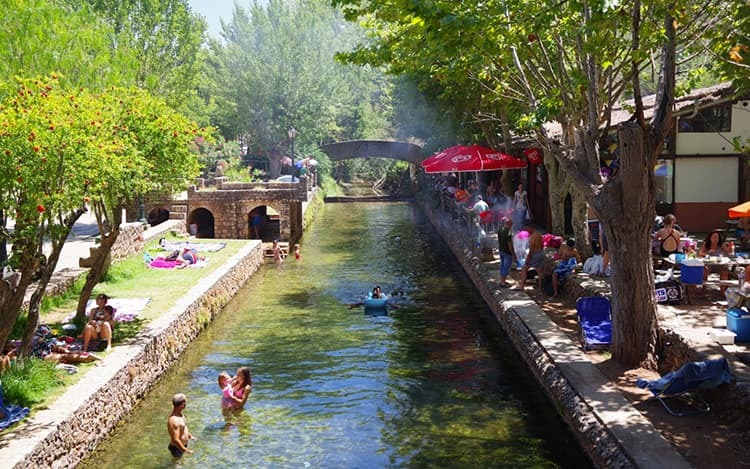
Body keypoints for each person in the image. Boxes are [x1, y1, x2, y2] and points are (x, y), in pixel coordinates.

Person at [512, 223, 544, 291]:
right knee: (539, 271)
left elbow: (531, 250)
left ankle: (522, 286)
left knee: (524, 269)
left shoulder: (533, 237)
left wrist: (528, 259)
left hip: (534, 254)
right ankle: (541, 288)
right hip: (540, 253)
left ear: (531, 227)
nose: (526, 231)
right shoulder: (539, 234)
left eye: (527, 229)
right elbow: (542, 245)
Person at [497, 218, 516, 287]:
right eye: (511, 223)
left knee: (502, 266)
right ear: (509, 224)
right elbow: (510, 244)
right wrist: (513, 254)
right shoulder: (509, 232)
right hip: (507, 252)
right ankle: (502, 282)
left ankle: (502, 280)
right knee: (506, 267)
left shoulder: (500, 230)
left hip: (501, 250)